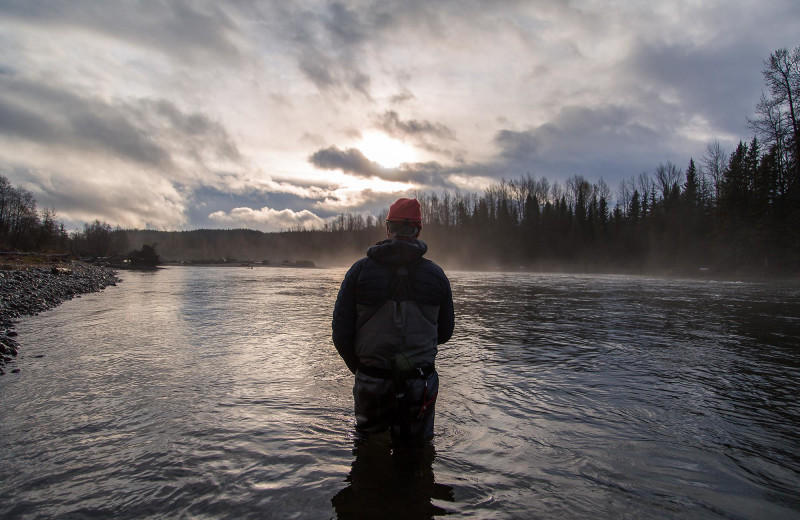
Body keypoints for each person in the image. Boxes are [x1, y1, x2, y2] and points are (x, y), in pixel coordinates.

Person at [332, 197, 454, 447]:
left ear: (388, 228)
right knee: (418, 454)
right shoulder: (436, 275)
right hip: (420, 383)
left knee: (368, 451)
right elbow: (444, 332)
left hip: (371, 381)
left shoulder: (359, 271)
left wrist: (364, 371)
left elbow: (341, 334)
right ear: (418, 229)